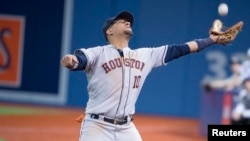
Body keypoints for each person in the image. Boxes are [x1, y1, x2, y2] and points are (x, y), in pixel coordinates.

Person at [60, 11, 240, 141]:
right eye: (121, 20)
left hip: (126, 128)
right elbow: (81, 61)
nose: (127, 21)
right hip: (97, 126)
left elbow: (181, 49)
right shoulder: (98, 53)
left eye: (129, 20)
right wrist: (72, 60)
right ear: (109, 31)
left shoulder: (145, 55)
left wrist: (212, 40)